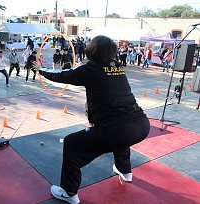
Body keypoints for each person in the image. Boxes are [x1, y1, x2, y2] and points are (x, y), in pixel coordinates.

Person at [38, 35, 150, 204]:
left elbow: (63, 76)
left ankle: (69, 192)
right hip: (141, 124)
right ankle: (125, 171)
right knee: (120, 137)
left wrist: (40, 69)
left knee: (71, 143)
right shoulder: (117, 66)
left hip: (118, 129)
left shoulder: (90, 69)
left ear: (92, 50)